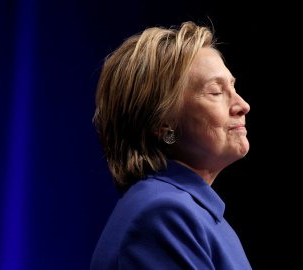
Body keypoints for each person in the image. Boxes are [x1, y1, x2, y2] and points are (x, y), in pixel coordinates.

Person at [90, 21, 252, 269]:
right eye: (216, 92)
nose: (242, 105)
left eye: (232, 86)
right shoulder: (163, 215)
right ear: (164, 124)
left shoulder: (193, 213)